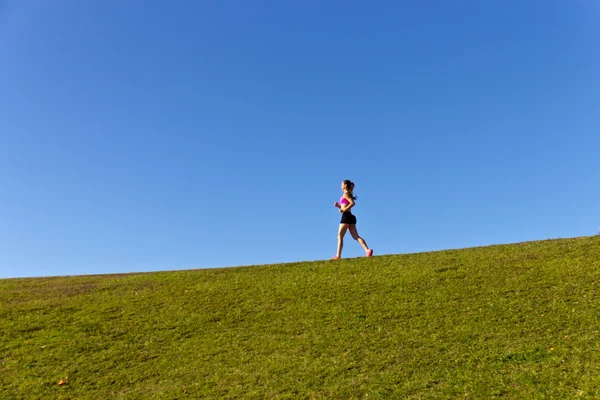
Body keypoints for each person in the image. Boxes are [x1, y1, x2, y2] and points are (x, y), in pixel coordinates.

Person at [333, 180, 373, 259]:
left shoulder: (346, 194)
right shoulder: (348, 194)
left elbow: (352, 203)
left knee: (340, 236)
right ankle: (367, 250)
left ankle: (338, 256)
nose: (340, 186)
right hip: (350, 216)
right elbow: (345, 206)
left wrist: (343, 210)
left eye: (341, 184)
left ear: (344, 185)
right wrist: (339, 206)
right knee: (356, 236)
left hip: (346, 216)